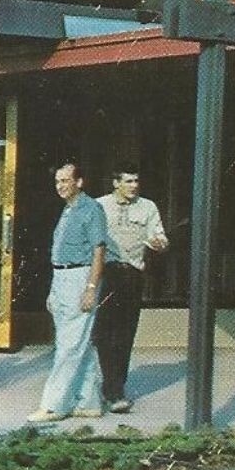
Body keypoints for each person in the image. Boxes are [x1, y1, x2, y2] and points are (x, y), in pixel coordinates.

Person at [28, 162, 114, 423]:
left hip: (81, 278)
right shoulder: (67, 210)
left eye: (66, 181)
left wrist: (90, 288)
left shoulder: (92, 210)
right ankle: (89, 402)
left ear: (79, 182)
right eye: (58, 182)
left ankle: (54, 405)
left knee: (68, 345)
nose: (61, 186)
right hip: (62, 278)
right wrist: (54, 290)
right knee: (79, 343)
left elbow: (99, 251)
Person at [91, 166, 169, 413]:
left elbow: (160, 236)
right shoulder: (98, 206)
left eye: (136, 180)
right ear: (116, 183)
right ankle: (111, 388)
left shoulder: (148, 207)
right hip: (107, 273)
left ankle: (116, 388)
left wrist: (159, 243)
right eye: (128, 181)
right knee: (104, 332)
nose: (134, 185)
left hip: (132, 273)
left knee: (125, 333)